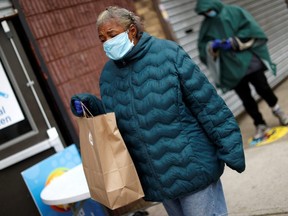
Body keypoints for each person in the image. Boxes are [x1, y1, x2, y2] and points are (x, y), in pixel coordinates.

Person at [72, 6, 245, 216]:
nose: (108, 42)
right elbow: (117, 121)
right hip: (155, 176)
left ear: (132, 31)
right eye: (102, 39)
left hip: (191, 165)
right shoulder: (109, 74)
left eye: (112, 35)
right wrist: (90, 105)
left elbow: (207, 104)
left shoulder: (168, 54)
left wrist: (230, 147)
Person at [195, 0, 288, 140]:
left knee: (263, 87)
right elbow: (202, 48)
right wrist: (212, 46)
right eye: (204, 12)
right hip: (229, 68)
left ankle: (278, 110)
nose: (208, 13)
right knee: (246, 98)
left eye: (208, 9)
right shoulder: (206, 25)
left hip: (249, 59)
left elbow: (251, 28)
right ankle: (260, 124)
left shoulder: (234, 11)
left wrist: (233, 41)